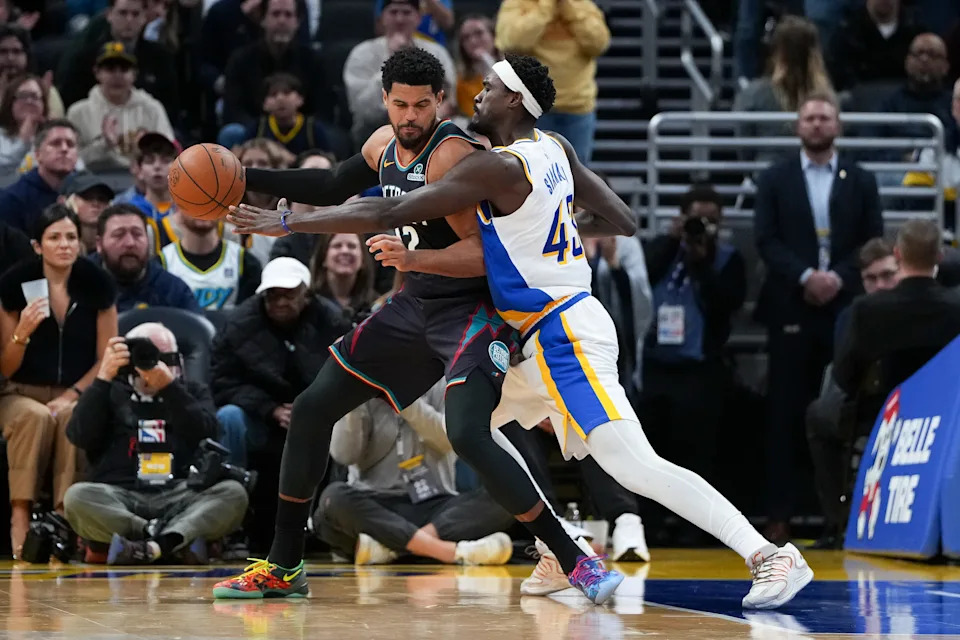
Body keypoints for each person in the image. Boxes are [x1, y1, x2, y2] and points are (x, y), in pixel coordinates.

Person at [229, 52, 816, 610]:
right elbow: (627, 221)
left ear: (515, 100)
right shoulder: (554, 148)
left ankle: (769, 555)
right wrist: (555, 222)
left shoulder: (497, 166)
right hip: (531, 331)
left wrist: (288, 221)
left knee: (631, 464)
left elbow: (389, 212)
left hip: (562, 328)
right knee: (475, 427)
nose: (477, 95)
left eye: (489, 89)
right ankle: (562, 550)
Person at [212, 47, 609, 603]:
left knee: (469, 432)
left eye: (421, 105)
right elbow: (331, 188)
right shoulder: (381, 144)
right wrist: (239, 176)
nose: (409, 117)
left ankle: (573, 559)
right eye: (400, 105)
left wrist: (299, 226)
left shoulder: (457, 155)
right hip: (413, 305)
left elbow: (485, 256)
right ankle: (284, 567)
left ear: (439, 101)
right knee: (310, 410)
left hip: (472, 309)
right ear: (384, 101)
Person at [753, 92, 884, 545]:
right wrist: (807, 275)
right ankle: (779, 516)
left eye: (824, 117)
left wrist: (838, 278)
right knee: (784, 414)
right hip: (791, 304)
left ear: (838, 125)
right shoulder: (775, 178)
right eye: (809, 117)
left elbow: (873, 239)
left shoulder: (860, 179)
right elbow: (765, 239)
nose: (816, 124)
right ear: (797, 127)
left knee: (842, 410)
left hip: (847, 309)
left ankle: (838, 517)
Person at [64, 322, 248, 564]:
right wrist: (102, 378)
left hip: (180, 493)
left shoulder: (191, 391)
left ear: (179, 364)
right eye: (145, 357)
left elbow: (208, 433)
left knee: (233, 493)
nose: (152, 366)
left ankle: (147, 546)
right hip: (121, 496)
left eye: (164, 359)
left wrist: (170, 389)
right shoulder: (108, 392)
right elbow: (79, 435)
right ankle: (166, 539)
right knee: (77, 498)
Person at [0, 204, 117, 556]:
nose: (65, 245)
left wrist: (72, 394)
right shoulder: (13, 286)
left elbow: (105, 357)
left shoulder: (97, 285)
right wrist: (22, 332)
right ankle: (19, 513)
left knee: (72, 417)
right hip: (19, 392)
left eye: (71, 237)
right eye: (55, 238)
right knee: (34, 416)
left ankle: (66, 518)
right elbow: (5, 368)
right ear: (38, 246)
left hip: (77, 390)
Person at [318, 380, 517, 566]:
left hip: (434, 506)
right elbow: (344, 456)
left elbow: (447, 442)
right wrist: (352, 399)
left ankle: (393, 548)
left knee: (509, 493)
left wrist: (404, 400)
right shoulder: (361, 385)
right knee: (332, 500)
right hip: (375, 505)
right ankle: (449, 551)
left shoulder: (444, 380)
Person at [806, 238, 901, 549]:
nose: (880, 285)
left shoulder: (917, 306)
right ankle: (839, 521)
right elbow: (843, 374)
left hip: (909, 408)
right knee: (818, 415)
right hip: (866, 408)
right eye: (871, 279)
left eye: (887, 275)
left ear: (902, 269)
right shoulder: (852, 315)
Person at [213, 257, 350, 467]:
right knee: (229, 417)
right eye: (272, 295)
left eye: (289, 294)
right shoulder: (236, 326)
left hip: (318, 414)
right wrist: (271, 409)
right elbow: (222, 381)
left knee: (349, 416)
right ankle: (231, 488)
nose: (280, 302)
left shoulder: (332, 321)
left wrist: (312, 406)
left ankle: (338, 494)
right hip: (260, 416)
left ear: (306, 295)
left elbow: (346, 377)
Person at [834, 219, 960, 398]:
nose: (879, 286)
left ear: (898, 254)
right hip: (947, 413)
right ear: (939, 256)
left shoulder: (866, 310)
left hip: (882, 416)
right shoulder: (956, 307)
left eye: (886, 275)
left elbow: (845, 376)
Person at [65, 42, 175, 172]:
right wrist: (104, 144)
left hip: (143, 181)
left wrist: (147, 147)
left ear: (134, 74)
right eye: (110, 69)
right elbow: (70, 160)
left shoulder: (152, 108)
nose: (117, 76)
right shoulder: (78, 112)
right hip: (95, 179)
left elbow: (170, 154)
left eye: (124, 69)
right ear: (97, 73)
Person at [91, 203, 200, 313]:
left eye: (137, 234)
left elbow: (197, 328)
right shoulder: (79, 282)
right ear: (99, 244)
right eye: (119, 235)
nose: (130, 243)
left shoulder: (172, 289)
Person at [159, 211, 262, 311]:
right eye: (194, 203)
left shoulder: (245, 262)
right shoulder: (162, 263)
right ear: (179, 209)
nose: (203, 210)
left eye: (209, 204)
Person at [0, 119, 79, 234]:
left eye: (70, 144)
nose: (64, 149)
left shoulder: (85, 192)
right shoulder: (12, 199)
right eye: (56, 143)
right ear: (37, 154)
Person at [62, 171, 115, 254]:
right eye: (87, 197)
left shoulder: (113, 250)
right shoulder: (61, 246)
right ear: (71, 202)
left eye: (102, 199)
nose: (96, 203)